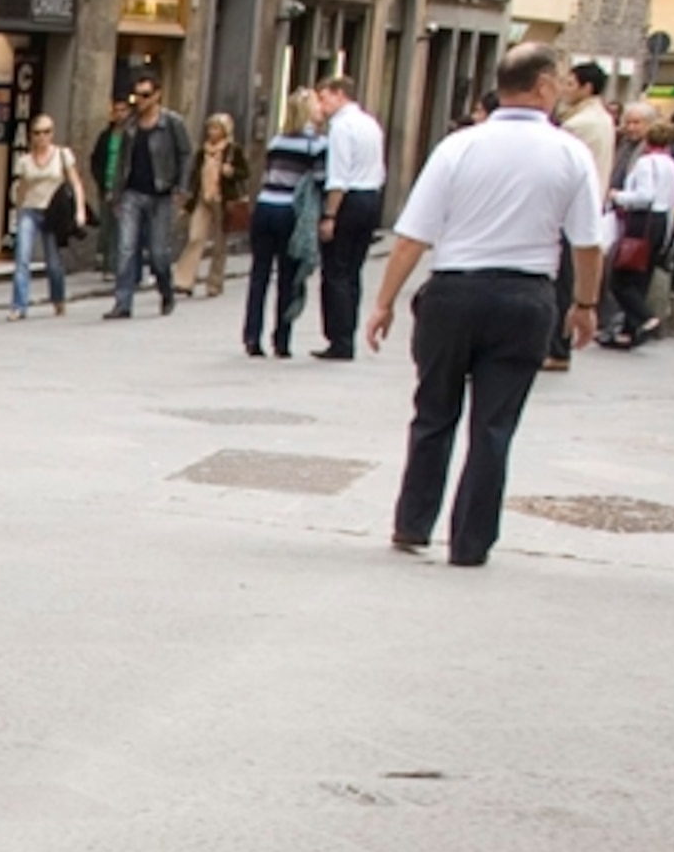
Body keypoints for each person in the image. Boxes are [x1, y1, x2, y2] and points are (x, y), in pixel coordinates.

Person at [364, 42, 605, 568]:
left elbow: (412, 237)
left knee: (433, 412)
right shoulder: (570, 153)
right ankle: (471, 542)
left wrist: (383, 301)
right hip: (525, 296)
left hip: (454, 291)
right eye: (558, 81)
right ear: (542, 85)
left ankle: (413, 522)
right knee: (494, 425)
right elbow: (587, 242)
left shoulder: (459, 147)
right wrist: (584, 303)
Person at [243, 91, 327, 359]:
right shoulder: (316, 144)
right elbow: (320, 179)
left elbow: (269, 173)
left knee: (259, 275)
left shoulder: (276, 141)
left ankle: (251, 335)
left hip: (265, 206)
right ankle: (282, 338)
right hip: (290, 210)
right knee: (287, 278)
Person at [546, 59, 617, 372]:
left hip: (569, 210)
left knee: (562, 282)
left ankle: (557, 347)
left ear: (587, 88)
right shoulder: (600, 119)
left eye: (570, 84)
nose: (563, 89)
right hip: (588, 205)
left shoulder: (580, 125)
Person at [309, 73, 387, 356]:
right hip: (370, 196)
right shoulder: (370, 123)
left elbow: (338, 176)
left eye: (324, 97)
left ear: (340, 94)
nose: (322, 104)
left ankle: (339, 337)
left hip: (349, 199)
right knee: (353, 270)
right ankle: (347, 332)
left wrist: (330, 214)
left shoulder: (341, 127)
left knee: (336, 271)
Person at [103, 75, 191, 317]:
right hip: (132, 193)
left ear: (157, 95)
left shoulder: (172, 123)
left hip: (160, 194)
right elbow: (121, 160)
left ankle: (166, 290)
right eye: (136, 95)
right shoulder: (130, 125)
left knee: (158, 253)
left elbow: (185, 155)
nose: (139, 101)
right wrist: (115, 192)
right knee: (126, 248)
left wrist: (182, 188)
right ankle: (123, 302)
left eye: (144, 95)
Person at [603, 124, 674, 347]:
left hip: (642, 222)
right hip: (662, 221)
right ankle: (629, 332)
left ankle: (646, 317)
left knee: (621, 278)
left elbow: (644, 196)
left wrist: (617, 196)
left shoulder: (645, 163)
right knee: (641, 277)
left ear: (648, 142)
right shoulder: (672, 165)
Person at [5, 113, 79, 318]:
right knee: (22, 258)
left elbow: (76, 182)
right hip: (30, 210)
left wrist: (80, 210)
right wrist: (17, 211)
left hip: (52, 213)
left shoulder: (63, 155)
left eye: (47, 132)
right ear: (31, 135)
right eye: (38, 133)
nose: (42, 137)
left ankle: (58, 298)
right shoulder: (25, 161)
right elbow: (20, 189)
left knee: (53, 263)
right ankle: (19, 306)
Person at [171, 112, 245, 299]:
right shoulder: (202, 151)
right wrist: (188, 203)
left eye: (216, 128)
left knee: (220, 243)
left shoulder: (232, 150)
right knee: (196, 237)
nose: (212, 132)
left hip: (223, 200)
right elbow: (195, 178)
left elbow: (245, 172)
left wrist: (232, 172)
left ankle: (214, 283)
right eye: (210, 128)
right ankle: (184, 280)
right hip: (203, 198)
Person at [88, 94, 131, 274]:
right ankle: (105, 260)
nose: (120, 114)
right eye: (116, 111)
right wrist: (101, 181)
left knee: (121, 226)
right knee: (107, 224)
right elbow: (96, 159)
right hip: (106, 184)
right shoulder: (106, 136)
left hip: (126, 188)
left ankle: (116, 264)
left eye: (123, 110)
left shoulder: (132, 135)